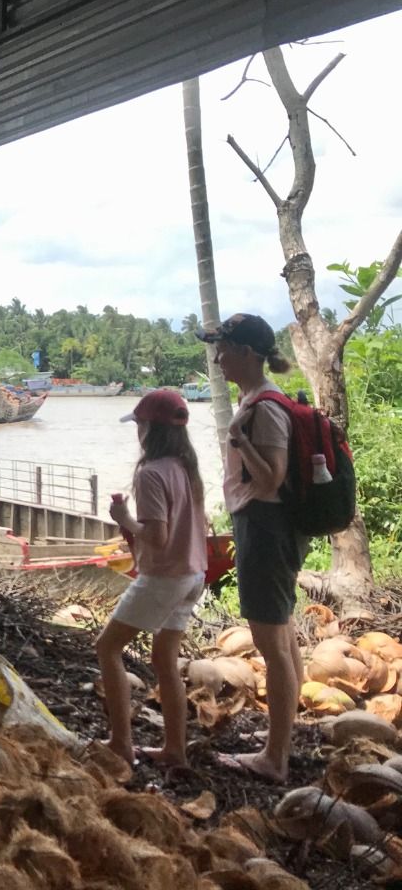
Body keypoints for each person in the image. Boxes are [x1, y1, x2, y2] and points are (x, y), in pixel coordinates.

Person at [197, 313, 303, 783]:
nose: (217, 358)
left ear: (246, 353)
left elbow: (272, 477)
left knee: (270, 644)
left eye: (223, 348)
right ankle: (284, 741)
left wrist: (240, 438)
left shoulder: (265, 408)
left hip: (266, 525)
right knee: (281, 636)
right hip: (264, 524)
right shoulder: (255, 401)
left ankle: (274, 758)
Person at [97, 389, 207, 770]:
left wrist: (124, 519)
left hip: (165, 576)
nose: (137, 431)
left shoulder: (150, 474)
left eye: (139, 424)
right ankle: (175, 749)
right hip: (194, 574)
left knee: (107, 648)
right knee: (164, 659)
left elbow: (156, 536)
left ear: (148, 429)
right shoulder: (185, 468)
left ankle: (121, 743)